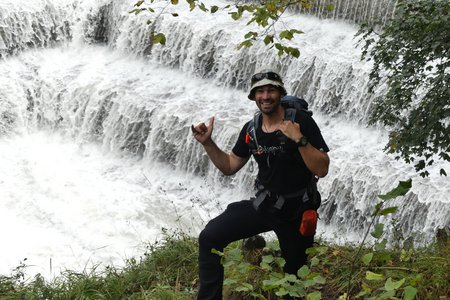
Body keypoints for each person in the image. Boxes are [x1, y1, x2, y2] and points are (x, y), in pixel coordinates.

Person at [191, 67, 330, 300]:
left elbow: (322, 168)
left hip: (297, 212)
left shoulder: (301, 122)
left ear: (280, 93)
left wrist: (299, 139)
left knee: (293, 281)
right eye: (260, 92)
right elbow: (229, 166)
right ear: (254, 96)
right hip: (265, 206)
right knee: (210, 238)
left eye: (271, 91)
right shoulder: (252, 130)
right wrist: (207, 143)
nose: (266, 96)